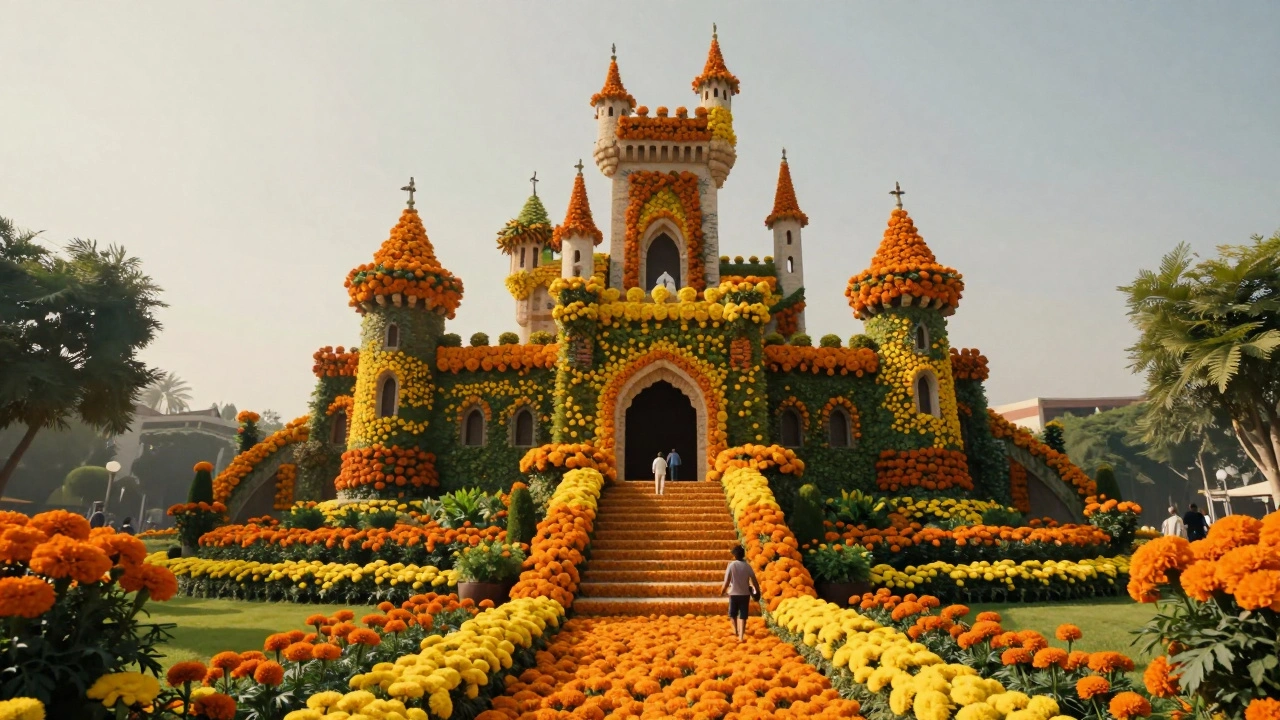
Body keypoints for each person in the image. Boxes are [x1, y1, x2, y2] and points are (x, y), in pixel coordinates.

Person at [719, 546, 760, 641]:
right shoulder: (747, 566)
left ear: (734, 555)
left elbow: (727, 581)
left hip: (733, 593)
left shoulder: (731, 565)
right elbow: (754, 580)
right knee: (743, 615)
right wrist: (757, 591)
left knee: (732, 614)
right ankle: (741, 636)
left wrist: (722, 591)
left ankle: (736, 631)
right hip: (745, 594)